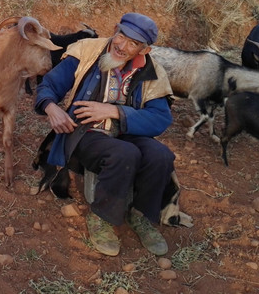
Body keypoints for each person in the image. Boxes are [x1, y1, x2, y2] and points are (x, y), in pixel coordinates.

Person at [35, 13, 175, 256]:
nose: (122, 46)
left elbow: (161, 118)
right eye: (121, 36)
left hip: (126, 131)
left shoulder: (153, 71)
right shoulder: (87, 51)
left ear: (145, 49)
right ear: (114, 28)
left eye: (133, 43)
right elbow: (49, 85)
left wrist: (115, 111)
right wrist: (51, 107)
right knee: (125, 153)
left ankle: (139, 215)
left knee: (161, 155)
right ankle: (100, 217)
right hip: (84, 134)